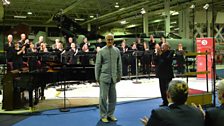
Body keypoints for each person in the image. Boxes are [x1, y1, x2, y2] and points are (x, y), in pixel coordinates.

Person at [95, 33, 122, 123]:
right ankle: (103, 115)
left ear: (113, 40)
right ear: (105, 40)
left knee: (113, 98)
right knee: (103, 98)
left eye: (111, 39)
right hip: (104, 78)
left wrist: (119, 75)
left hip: (113, 78)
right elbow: (97, 65)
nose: (110, 41)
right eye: (108, 39)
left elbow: (119, 64)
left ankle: (110, 114)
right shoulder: (101, 51)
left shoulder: (117, 51)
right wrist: (97, 77)